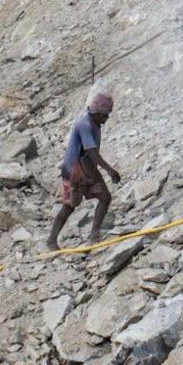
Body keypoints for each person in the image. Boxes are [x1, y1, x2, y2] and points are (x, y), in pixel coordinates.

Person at [49, 92, 123, 250]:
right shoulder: (86, 125)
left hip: (81, 169)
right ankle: (57, 240)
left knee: (94, 200)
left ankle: (89, 235)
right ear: (97, 113)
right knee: (81, 203)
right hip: (78, 171)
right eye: (105, 115)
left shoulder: (93, 123)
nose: (107, 119)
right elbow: (92, 152)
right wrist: (110, 170)